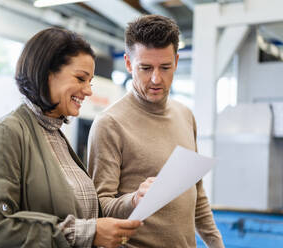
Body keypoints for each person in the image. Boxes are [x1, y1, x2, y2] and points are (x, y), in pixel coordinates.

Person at [0, 27, 150, 248]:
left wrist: (131, 203)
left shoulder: (57, 137)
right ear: (46, 73)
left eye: (90, 81)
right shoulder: (6, 132)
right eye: (81, 78)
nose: (88, 91)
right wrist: (89, 232)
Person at [87, 15, 225, 248]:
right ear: (129, 64)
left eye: (165, 67)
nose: (156, 79)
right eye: (145, 68)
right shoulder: (109, 124)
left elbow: (197, 196)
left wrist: (217, 244)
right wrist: (134, 200)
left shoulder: (185, 116)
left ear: (177, 62)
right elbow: (99, 209)